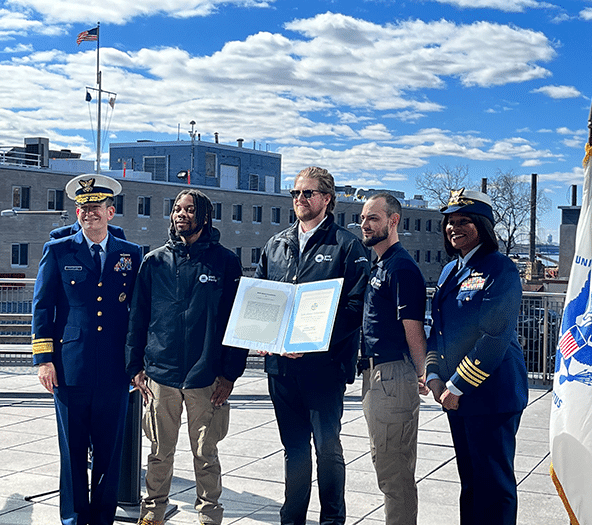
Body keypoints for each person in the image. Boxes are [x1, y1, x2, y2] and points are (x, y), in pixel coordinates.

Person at [255, 166, 370, 525]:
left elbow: (355, 308)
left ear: (327, 199)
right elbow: (262, 296)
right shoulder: (276, 245)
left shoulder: (347, 246)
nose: (300, 200)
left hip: (324, 367)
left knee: (327, 448)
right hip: (282, 368)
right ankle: (292, 519)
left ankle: (332, 520)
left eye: (307, 193)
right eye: (295, 194)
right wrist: (263, 335)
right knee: (294, 450)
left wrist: (313, 340)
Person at [125, 189, 247, 525]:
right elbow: (138, 317)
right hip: (160, 374)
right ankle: (153, 514)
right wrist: (134, 366)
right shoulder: (154, 262)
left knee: (205, 454)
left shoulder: (225, 262)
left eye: (189, 209)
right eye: (177, 209)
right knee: (159, 453)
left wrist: (229, 375)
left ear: (205, 216)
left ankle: (209, 516)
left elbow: (237, 323)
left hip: (206, 376)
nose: (181, 214)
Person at [32, 174, 141, 525]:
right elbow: (42, 306)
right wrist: (44, 360)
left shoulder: (131, 254)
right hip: (70, 367)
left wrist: (137, 363)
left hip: (114, 370)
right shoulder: (59, 250)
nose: (88, 214)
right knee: (73, 453)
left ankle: (103, 520)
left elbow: (139, 312)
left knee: (110, 454)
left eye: (96, 208)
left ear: (111, 212)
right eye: (83, 208)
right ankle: (75, 520)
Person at [425, 188, 528, 525]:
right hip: (455, 395)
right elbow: (438, 331)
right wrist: (433, 375)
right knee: (470, 482)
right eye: (450, 222)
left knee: (494, 486)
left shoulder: (500, 269)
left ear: (483, 225)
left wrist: (456, 386)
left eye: (464, 220)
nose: (454, 227)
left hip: (492, 394)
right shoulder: (449, 272)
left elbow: (494, 335)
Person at [358, 193, 428, 525]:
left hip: (391, 378)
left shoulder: (401, 267)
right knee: (386, 466)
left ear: (393, 221)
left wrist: (423, 371)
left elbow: (412, 327)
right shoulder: (380, 264)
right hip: (375, 377)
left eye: (373, 218)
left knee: (394, 473)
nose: (365, 224)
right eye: (362, 218)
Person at [50, 221, 126, 240]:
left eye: (96, 207)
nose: (90, 212)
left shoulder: (116, 233)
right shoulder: (60, 236)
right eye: (85, 207)